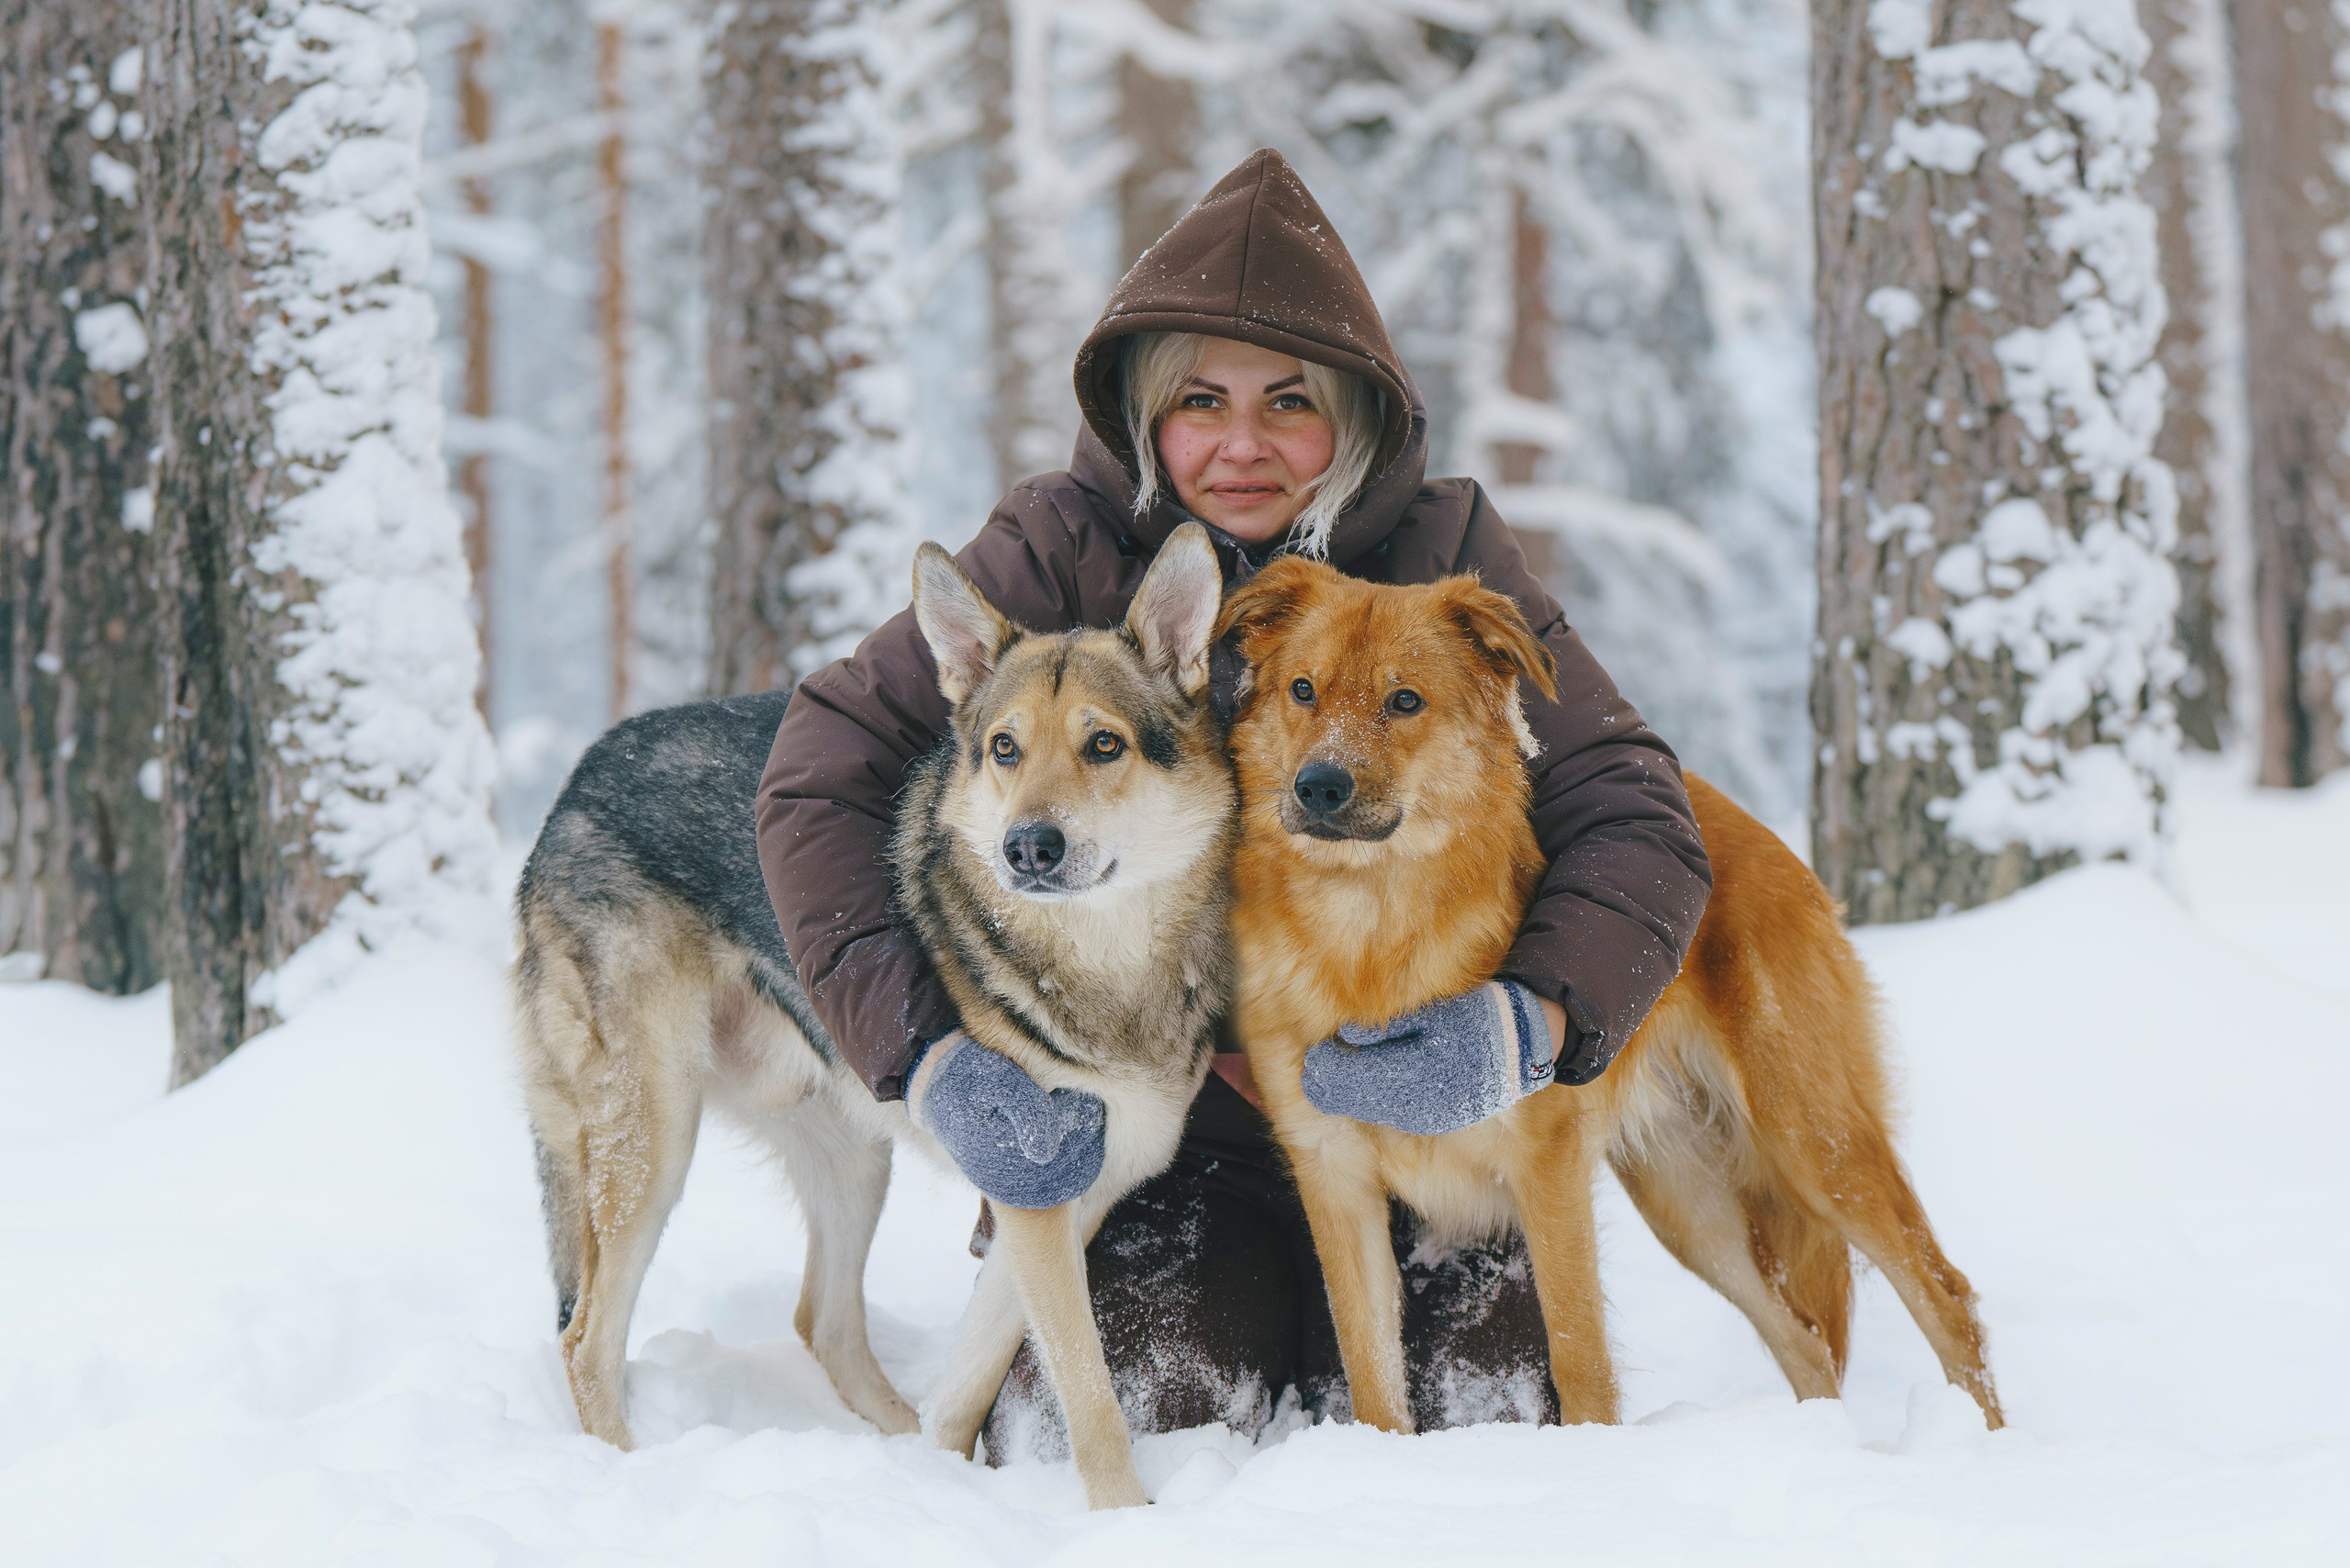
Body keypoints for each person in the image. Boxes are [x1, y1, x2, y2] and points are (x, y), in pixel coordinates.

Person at [756, 149, 1712, 1450]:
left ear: (1357, 417)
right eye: (1201, 400)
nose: (1245, 444)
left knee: (1485, 1434)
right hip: (1155, 1148)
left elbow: (1635, 808)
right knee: (1141, 1425)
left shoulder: (1441, 557)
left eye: (1292, 402)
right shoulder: (1055, 551)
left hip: (1421, 1123)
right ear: (1146, 416)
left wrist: (1530, 1021)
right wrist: (927, 1058)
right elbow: (821, 776)